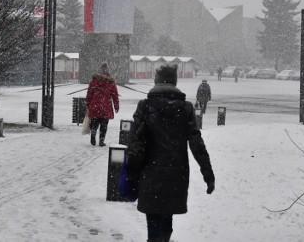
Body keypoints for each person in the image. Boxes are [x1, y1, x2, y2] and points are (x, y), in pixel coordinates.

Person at [130, 63, 215, 242]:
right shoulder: (185, 109)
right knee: (167, 216)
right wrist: (208, 174)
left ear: (157, 81)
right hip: (176, 174)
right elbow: (196, 144)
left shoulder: (145, 106)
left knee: (153, 218)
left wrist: (131, 171)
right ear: (175, 82)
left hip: (150, 172)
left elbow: (134, 142)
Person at [85, 61, 119, 146]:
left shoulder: (94, 80)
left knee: (94, 123)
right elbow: (115, 95)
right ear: (108, 70)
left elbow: (89, 93)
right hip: (105, 106)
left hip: (95, 106)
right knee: (104, 125)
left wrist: (88, 103)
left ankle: (93, 135)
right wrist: (116, 106)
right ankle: (101, 141)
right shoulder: (111, 82)